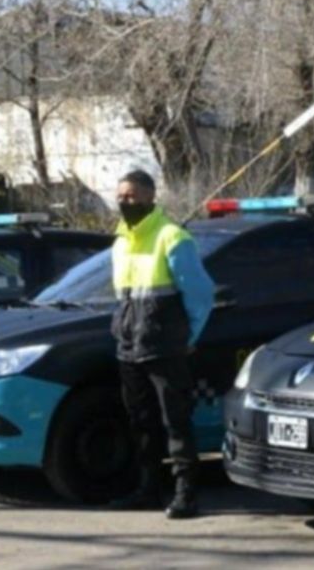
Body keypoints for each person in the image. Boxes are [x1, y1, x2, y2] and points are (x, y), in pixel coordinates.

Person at [107, 169, 215, 519]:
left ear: (151, 197)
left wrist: (187, 338)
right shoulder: (121, 241)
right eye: (121, 196)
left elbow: (200, 296)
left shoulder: (172, 237)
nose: (125, 202)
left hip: (165, 348)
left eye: (132, 195)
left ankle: (186, 494)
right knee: (141, 423)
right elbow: (125, 298)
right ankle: (147, 489)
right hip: (130, 347)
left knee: (176, 422)